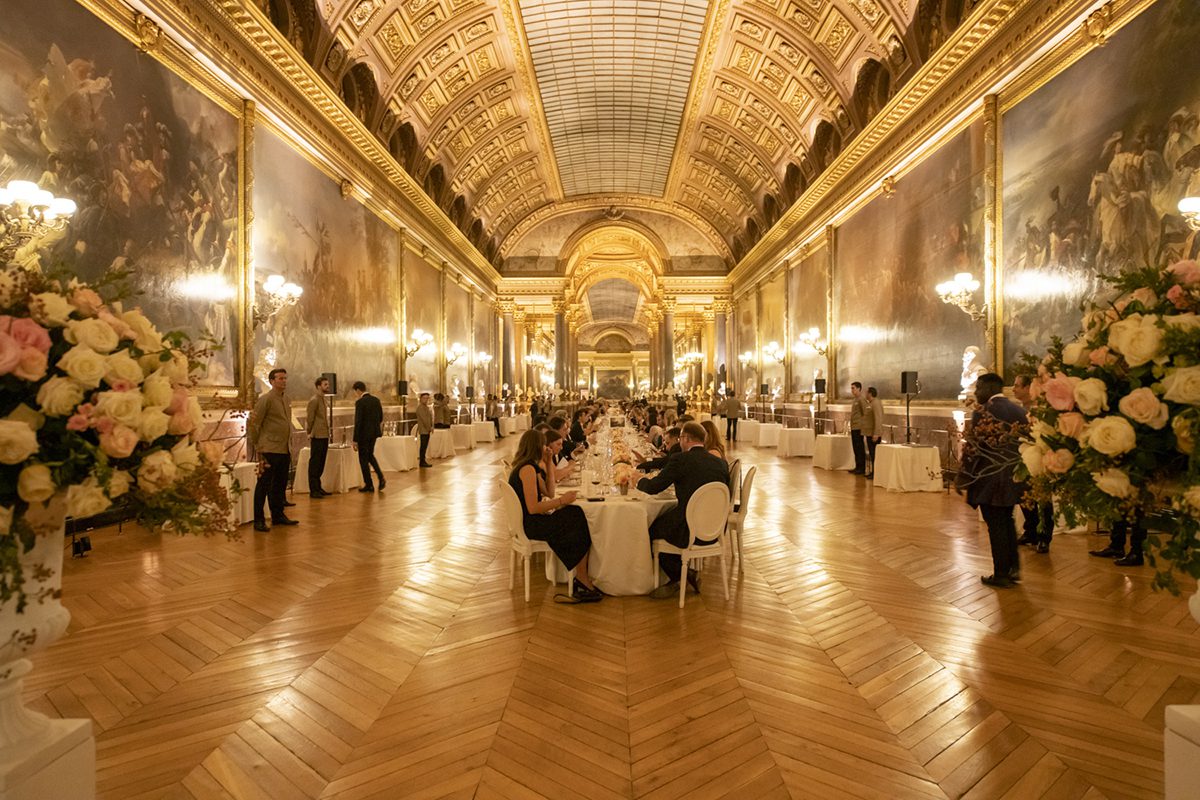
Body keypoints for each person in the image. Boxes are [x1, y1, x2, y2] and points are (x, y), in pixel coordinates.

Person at [636, 422, 730, 598]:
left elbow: (654, 487)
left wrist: (638, 479)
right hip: (716, 528)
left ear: (685, 439)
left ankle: (680, 576)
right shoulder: (720, 463)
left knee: (651, 529)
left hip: (688, 528)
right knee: (666, 521)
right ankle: (685, 575)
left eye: (680, 439)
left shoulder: (680, 459)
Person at [507, 429, 601, 601]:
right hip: (531, 525)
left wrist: (549, 462)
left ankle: (581, 577)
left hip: (532, 521)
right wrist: (562, 501)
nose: (546, 448)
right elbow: (533, 508)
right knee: (578, 517)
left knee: (576, 513)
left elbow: (550, 492)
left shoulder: (531, 466)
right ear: (537, 446)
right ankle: (582, 577)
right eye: (543, 445)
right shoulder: (526, 469)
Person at [959, 373, 1028, 588]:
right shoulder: (1019, 410)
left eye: (978, 388)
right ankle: (1012, 569)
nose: (976, 392)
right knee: (1007, 523)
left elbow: (974, 448)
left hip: (990, 479)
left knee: (996, 526)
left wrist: (962, 477)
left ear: (989, 388)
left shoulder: (984, 412)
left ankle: (1001, 574)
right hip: (1013, 477)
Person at [247, 367, 298, 532]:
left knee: (279, 485)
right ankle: (259, 520)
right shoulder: (266, 399)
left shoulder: (286, 399)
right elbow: (254, 423)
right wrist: (258, 445)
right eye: (280, 378)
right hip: (269, 448)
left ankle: (278, 515)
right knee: (263, 485)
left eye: (285, 378)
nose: (284, 381)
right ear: (271, 381)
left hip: (284, 448)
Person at [1012, 374, 1054, 553]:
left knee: (1043, 499)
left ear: (1029, 387)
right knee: (1024, 495)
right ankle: (1030, 531)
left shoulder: (1040, 408)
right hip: (1024, 457)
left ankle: (1044, 537)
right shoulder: (1020, 409)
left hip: (1040, 457)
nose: (1013, 389)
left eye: (1017, 385)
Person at [352, 381, 385, 492]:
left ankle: (369, 484)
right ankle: (380, 477)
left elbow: (358, 422)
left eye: (355, 392)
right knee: (370, 455)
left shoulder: (360, 402)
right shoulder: (376, 400)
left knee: (363, 459)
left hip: (363, 435)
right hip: (374, 433)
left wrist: (355, 439)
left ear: (358, 390)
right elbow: (381, 417)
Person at [848, 381, 869, 475]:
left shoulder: (861, 399)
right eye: (851, 388)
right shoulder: (855, 399)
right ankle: (858, 466)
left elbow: (865, 413)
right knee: (855, 447)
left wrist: (864, 426)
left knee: (859, 447)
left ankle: (862, 468)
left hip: (859, 427)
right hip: (854, 426)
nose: (852, 390)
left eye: (853, 388)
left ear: (859, 388)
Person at [864, 387, 884, 477]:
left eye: (866, 392)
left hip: (873, 433)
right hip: (869, 433)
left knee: (874, 454)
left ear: (870, 393)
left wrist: (876, 433)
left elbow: (878, 418)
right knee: (872, 454)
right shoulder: (871, 403)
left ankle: (876, 473)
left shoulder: (876, 403)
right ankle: (873, 472)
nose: (865, 394)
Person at [416, 392, 433, 468]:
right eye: (424, 398)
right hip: (424, 429)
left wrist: (431, 426)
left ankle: (423, 460)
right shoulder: (420, 408)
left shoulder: (426, 407)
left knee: (425, 446)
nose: (426, 400)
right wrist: (429, 427)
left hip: (427, 429)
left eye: (427, 398)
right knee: (423, 446)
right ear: (420, 399)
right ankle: (422, 461)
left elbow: (429, 418)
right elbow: (424, 420)